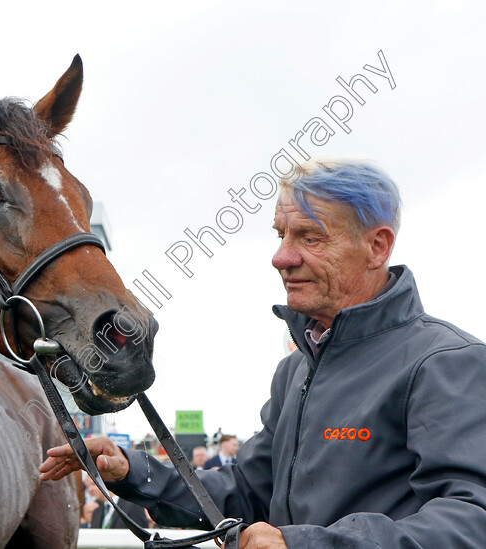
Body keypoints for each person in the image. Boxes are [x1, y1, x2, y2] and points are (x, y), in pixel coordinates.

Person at [40, 160, 486, 548]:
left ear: (377, 246)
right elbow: (244, 491)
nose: (281, 257)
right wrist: (131, 471)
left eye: (310, 237)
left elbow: (471, 521)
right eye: (281, 234)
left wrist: (303, 544)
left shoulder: (446, 362)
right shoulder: (296, 369)